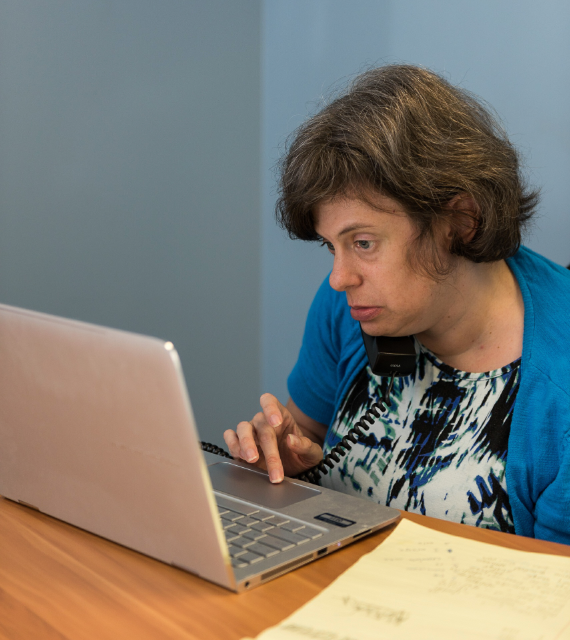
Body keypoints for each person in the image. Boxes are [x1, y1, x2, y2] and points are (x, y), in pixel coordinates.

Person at [223, 64, 570, 544]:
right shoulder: (348, 307)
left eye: (363, 242)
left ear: (460, 221)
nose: (339, 277)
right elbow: (302, 436)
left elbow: (555, 598)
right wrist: (282, 466)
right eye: (332, 246)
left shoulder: (559, 392)